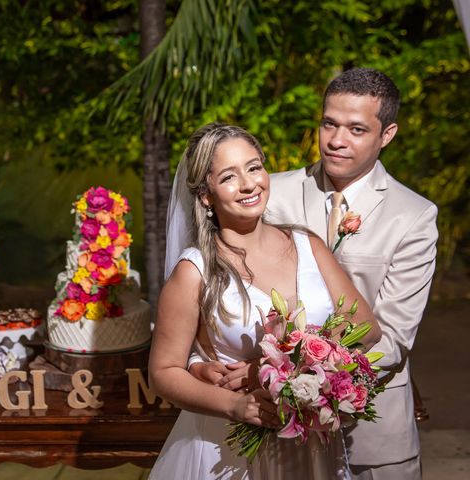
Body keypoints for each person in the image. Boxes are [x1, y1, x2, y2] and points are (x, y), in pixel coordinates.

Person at [188, 68, 438, 480]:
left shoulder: (413, 216)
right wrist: (201, 363)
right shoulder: (266, 190)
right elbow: (213, 291)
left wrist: (280, 376)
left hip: (371, 437)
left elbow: (391, 340)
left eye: (357, 129)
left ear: (387, 134)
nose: (337, 140)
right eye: (329, 124)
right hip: (273, 439)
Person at [149, 123, 381, 479]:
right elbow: (163, 374)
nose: (248, 184)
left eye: (254, 167)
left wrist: (284, 366)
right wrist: (235, 405)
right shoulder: (194, 272)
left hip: (311, 446)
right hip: (228, 451)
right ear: (206, 195)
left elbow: (366, 329)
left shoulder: (308, 245)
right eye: (228, 176)